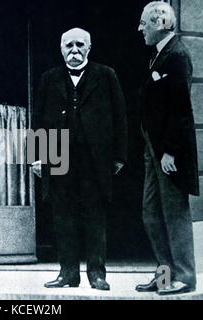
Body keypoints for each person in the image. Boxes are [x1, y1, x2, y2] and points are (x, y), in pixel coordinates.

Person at [34, 28, 128, 290]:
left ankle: (97, 274)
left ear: (89, 48)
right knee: (63, 217)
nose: (74, 51)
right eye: (68, 46)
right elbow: (38, 119)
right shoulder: (48, 78)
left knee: (94, 217)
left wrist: (119, 155)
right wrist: (37, 156)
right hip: (58, 156)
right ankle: (67, 274)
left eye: (79, 45)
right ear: (61, 48)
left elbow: (120, 116)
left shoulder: (106, 75)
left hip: (94, 159)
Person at [135, 2, 199, 295]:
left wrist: (171, 151)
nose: (140, 29)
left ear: (160, 23)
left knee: (173, 214)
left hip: (169, 153)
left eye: (144, 24)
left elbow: (181, 110)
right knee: (151, 213)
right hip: (154, 149)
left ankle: (184, 276)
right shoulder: (159, 55)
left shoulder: (177, 55)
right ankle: (164, 276)